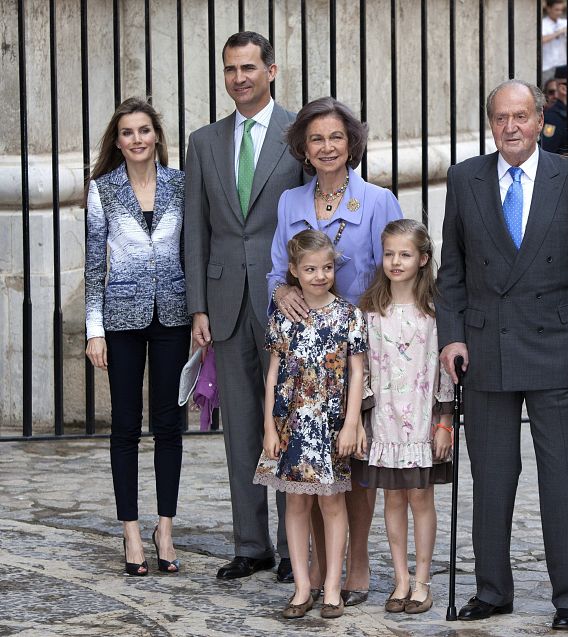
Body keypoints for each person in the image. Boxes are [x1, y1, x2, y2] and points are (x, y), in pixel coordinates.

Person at [437, 79, 568, 629]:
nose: (511, 127)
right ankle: (492, 590)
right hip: (486, 349)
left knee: (564, 478)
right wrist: (451, 336)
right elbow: (450, 270)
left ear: (540, 118)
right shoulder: (464, 178)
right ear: (490, 122)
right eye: (501, 117)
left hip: (559, 347)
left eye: (521, 116)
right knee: (493, 478)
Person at [267, 96, 403, 605]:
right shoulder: (289, 204)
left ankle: (360, 567)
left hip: (362, 348)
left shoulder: (378, 200)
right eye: (317, 139)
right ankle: (322, 572)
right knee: (313, 468)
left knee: (355, 463)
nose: (327, 147)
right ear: (303, 148)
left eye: (336, 138)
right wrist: (281, 292)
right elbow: (275, 270)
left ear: (352, 145)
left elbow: (398, 269)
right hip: (305, 358)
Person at [184, 31, 305, 582]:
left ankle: (292, 549)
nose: (239, 79)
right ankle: (250, 544)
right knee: (239, 430)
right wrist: (198, 307)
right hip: (226, 302)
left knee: (286, 423)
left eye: (249, 68)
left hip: (289, 304)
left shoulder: (300, 133)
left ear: (271, 71)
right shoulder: (204, 141)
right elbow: (196, 229)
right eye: (231, 69)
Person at [85, 97, 191, 576]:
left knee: (170, 426)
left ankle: (164, 527)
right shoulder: (103, 190)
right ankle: (130, 530)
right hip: (120, 320)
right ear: (118, 140)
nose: (136, 140)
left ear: (156, 136)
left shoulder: (180, 184)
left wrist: (200, 316)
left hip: (173, 316)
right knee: (126, 426)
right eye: (127, 132)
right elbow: (93, 266)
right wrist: (94, 331)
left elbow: (191, 251)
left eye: (144, 130)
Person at [255, 229, 367, 619]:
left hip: (328, 424)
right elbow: (272, 376)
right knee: (296, 502)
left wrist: (351, 422)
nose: (320, 275)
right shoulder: (283, 319)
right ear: (294, 270)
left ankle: (332, 587)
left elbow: (357, 373)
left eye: (326, 268)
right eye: (310, 269)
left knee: (333, 502)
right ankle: (303, 587)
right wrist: (270, 428)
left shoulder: (349, 316)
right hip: (290, 424)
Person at [359, 219, 454, 615]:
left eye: (405, 254)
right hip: (384, 423)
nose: (395, 262)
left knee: (420, 497)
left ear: (423, 259)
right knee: (392, 499)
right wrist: (360, 423)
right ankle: (399, 579)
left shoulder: (434, 311)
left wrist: (444, 420)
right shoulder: (370, 310)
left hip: (421, 421)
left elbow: (445, 368)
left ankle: (423, 579)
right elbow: (359, 371)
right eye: (389, 254)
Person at [541, 0, 568, 81]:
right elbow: (541, 40)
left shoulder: (565, 22)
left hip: (563, 64)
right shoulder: (542, 23)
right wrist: (559, 32)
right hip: (547, 66)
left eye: (561, 10)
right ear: (548, 9)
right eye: (557, 10)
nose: (560, 12)